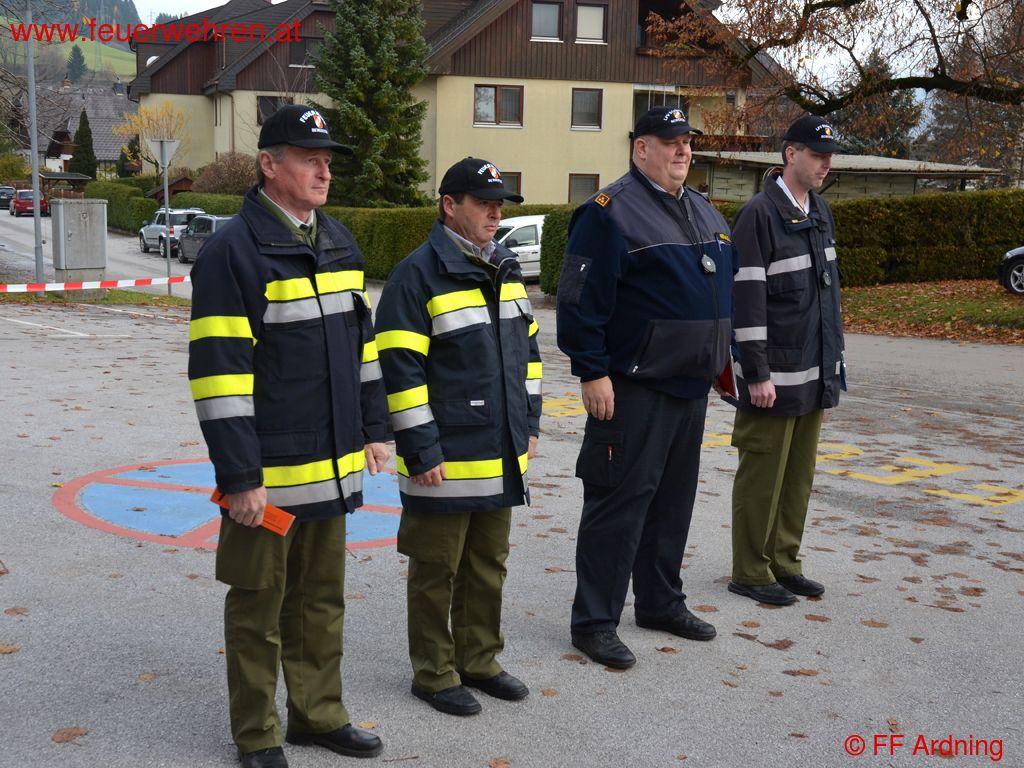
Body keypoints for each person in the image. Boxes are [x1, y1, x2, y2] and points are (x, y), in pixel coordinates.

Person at [188, 104, 390, 768]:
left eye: (329, 160)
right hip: (269, 478)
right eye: (310, 158)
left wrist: (376, 428)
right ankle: (257, 734)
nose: (324, 171)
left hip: (331, 468)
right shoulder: (232, 253)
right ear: (269, 165)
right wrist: (240, 476)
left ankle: (317, 715)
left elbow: (365, 353)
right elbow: (219, 375)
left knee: (320, 603)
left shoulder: (337, 241)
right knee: (258, 608)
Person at [556, 107, 736, 669]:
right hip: (631, 387)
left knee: (672, 504)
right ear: (641, 148)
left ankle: (660, 602)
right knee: (618, 504)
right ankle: (594, 622)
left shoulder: (704, 211)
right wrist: (591, 370)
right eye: (670, 142)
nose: (682, 151)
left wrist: (724, 358)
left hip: (688, 385)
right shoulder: (609, 213)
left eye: (686, 142)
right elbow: (579, 301)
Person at [375, 157, 542, 717]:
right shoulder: (416, 275)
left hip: (500, 451)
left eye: (500, 204)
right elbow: (399, 370)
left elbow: (530, 355)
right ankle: (434, 672)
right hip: (442, 457)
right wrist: (419, 448)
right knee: (435, 569)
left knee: (487, 564)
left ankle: (480, 659)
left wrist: (531, 423)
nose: (496, 213)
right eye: (483, 203)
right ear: (450, 205)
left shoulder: (505, 268)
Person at [726, 115, 846, 606]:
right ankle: (751, 571)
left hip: (814, 371)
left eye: (829, 156)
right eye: (818, 155)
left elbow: (827, 295)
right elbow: (747, 299)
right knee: (762, 475)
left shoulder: (818, 210)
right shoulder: (759, 213)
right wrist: (756, 373)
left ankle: (784, 562)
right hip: (772, 377)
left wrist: (834, 361)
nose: (826, 164)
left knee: (798, 477)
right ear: (790, 154)